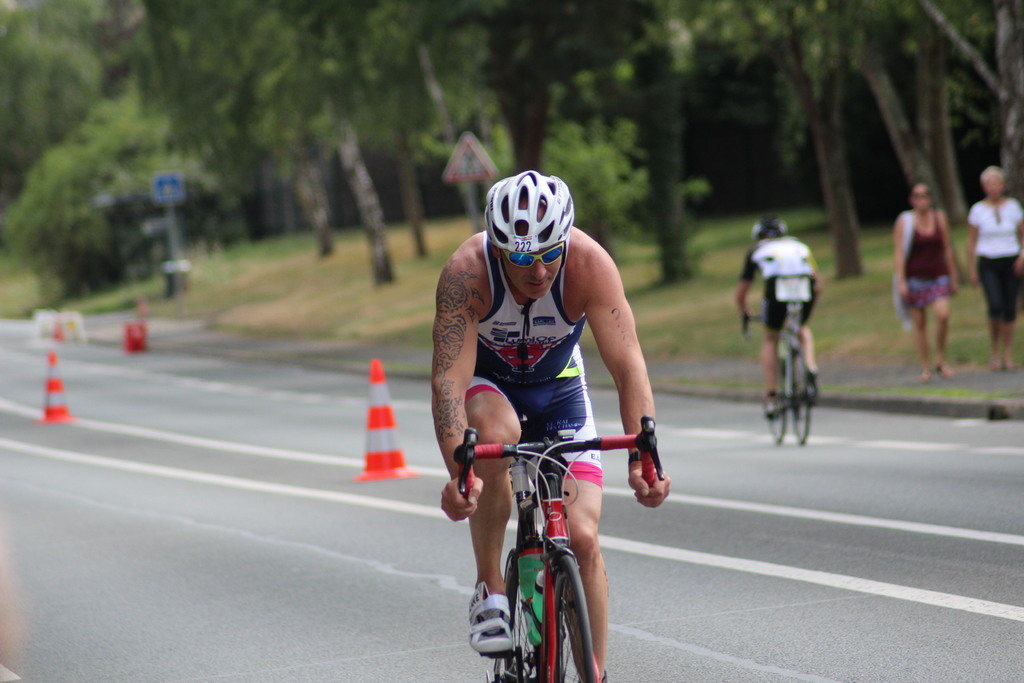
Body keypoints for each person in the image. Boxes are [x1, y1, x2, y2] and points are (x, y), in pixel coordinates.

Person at [431, 170, 671, 679]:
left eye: (549, 253)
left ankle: (593, 675)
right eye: (522, 258)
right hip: (489, 388)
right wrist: (460, 473)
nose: (538, 271)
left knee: (582, 538)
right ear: (499, 250)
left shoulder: (589, 264)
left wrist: (643, 458)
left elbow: (628, 365)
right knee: (496, 434)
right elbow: (449, 382)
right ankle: (491, 590)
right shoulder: (466, 273)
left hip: (559, 389)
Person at [734, 215, 821, 412]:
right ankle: (810, 366)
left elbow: (741, 293)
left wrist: (744, 311)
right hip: (805, 284)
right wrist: (810, 308)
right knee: (802, 328)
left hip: (776, 286)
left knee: (771, 337)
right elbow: (818, 284)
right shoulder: (800, 246)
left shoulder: (757, 250)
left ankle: (772, 395)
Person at [893, 183, 959, 381]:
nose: (921, 199)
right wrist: (901, 281)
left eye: (925, 195)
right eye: (917, 196)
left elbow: (947, 248)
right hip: (915, 277)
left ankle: (940, 358)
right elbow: (899, 253)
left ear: (930, 198)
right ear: (911, 200)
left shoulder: (939, 218)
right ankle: (925, 366)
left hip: (938, 275)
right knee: (920, 324)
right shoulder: (905, 221)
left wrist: (953, 275)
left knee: (943, 315)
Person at [966, 166, 1024, 371]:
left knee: (1009, 306)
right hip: (988, 260)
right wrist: (971, 269)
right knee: (995, 305)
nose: (993, 187)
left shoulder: (1013, 207)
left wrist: (1022, 256)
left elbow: (1022, 233)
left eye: (996, 183)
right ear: (984, 187)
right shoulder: (978, 210)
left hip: (1011, 259)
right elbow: (971, 241)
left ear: (1002, 185)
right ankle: (995, 351)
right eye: (989, 184)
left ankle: (1008, 353)